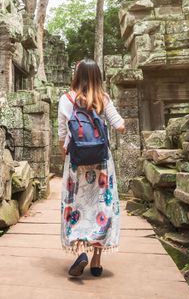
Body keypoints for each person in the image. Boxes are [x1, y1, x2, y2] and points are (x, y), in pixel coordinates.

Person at [57, 58, 125, 277]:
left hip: (76, 163)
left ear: (77, 76)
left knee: (76, 206)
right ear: (97, 76)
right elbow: (120, 126)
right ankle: (96, 261)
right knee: (101, 207)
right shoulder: (102, 99)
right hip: (102, 164)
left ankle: (80, 252)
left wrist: (66, 154)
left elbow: (61, 136)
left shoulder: (66, 99)